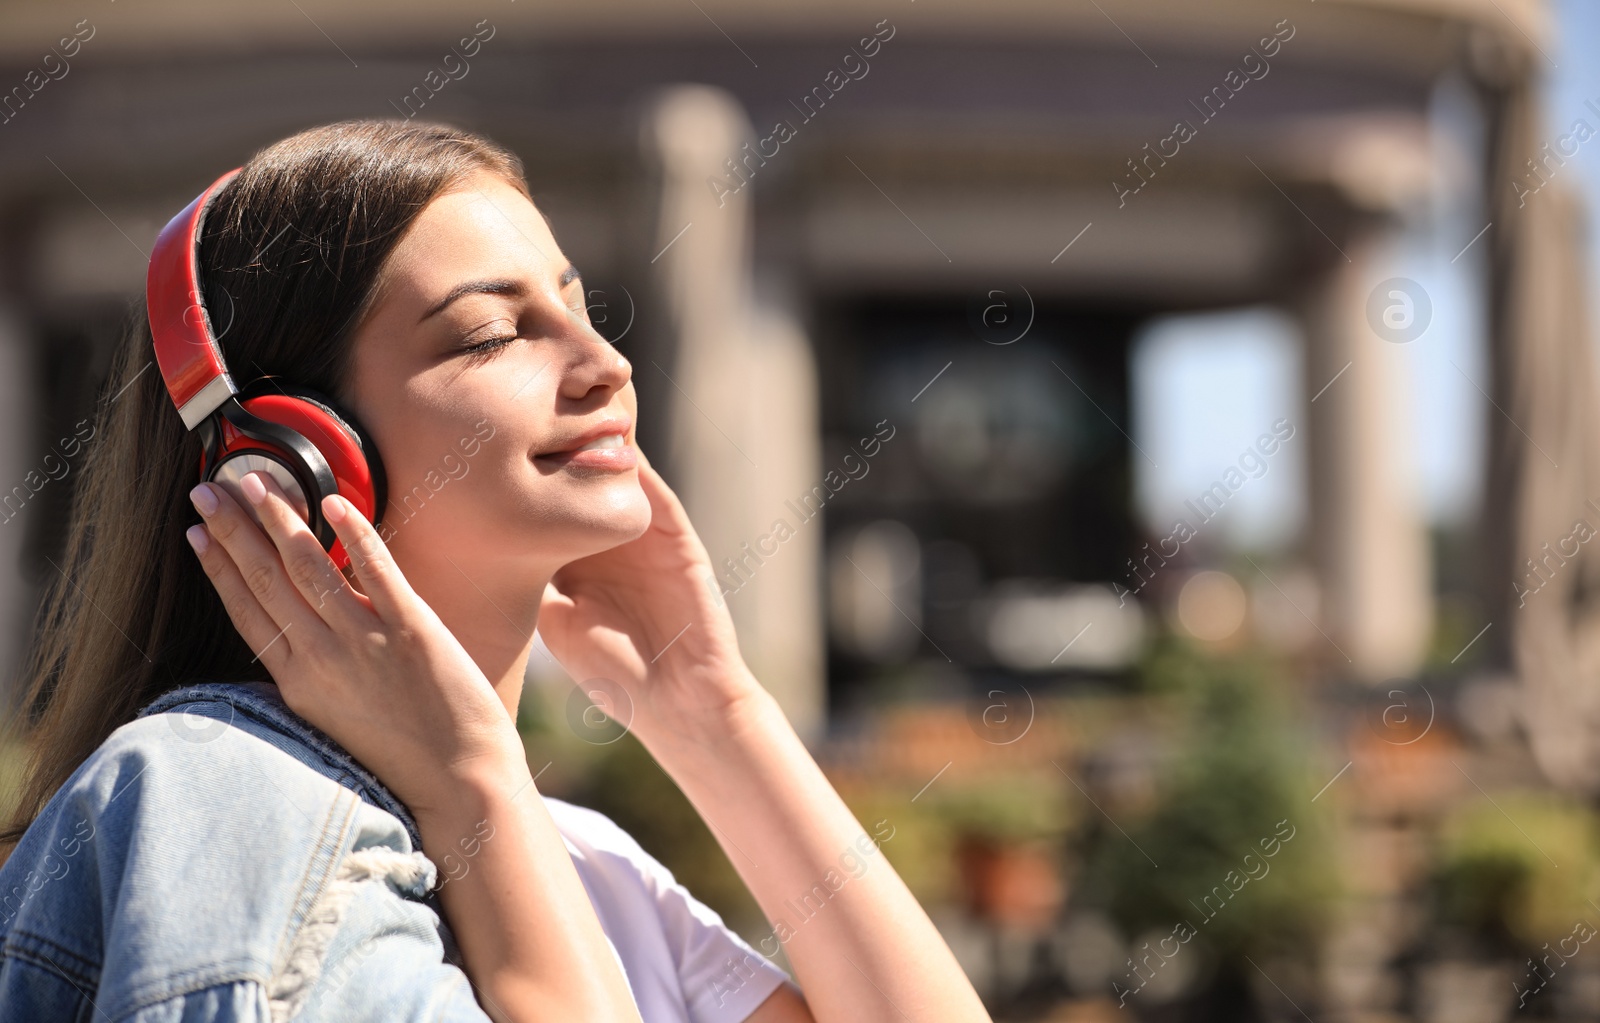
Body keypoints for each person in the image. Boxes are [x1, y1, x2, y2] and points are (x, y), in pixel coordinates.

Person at [0, 120, 990, 1023]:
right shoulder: (222, 797)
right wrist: (476, 783)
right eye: (492, 334)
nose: (607, 363)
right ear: (294, 462)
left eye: (577, 305)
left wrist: (713, 716)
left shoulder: (584, 866)